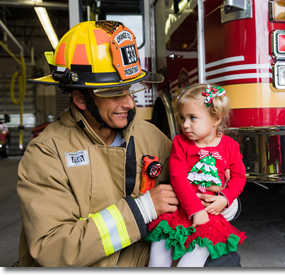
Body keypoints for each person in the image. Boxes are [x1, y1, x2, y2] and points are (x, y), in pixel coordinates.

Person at [15, 21, 240, 267]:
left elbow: (193, 180)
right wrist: (143, 209)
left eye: (130, 90)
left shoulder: (150, 136)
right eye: (114, 93)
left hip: (139, 254)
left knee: (223, 259)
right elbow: (52, 249)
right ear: (81, 98)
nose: (130, 103)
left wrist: (224, 202)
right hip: (88, 263)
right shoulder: (48, 152)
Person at [146, 84, 247, 267]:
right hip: (178, 211)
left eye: (193, 118)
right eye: (183, 118)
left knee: (191, 262)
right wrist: (196, 210)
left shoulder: (230, 146)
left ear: (216, 119)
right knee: (158, 256)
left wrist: (225, 199)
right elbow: (178, 178)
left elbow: (239, 176)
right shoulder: (180, 143)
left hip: (210, 218)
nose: (185, 125)